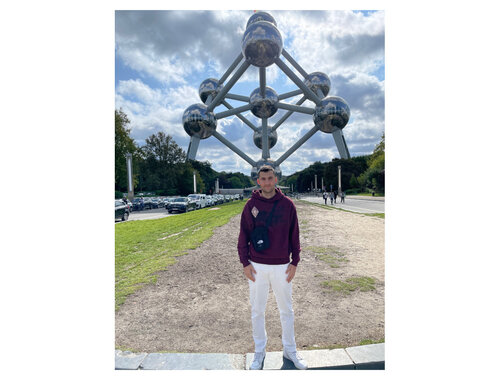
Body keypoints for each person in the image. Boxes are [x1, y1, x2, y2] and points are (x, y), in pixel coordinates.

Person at [238, 165, 308, 370]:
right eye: (263, 179)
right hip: (257, 266)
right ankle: (259, 352)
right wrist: (245, 263)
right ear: (258, 182)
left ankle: (290, 350)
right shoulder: (250, 205)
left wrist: (295, 262)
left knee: (286, 310)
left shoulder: (287, 205)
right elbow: (243, 235)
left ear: (275, 179)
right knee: (257, 311)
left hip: (282, 266)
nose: (267, 182)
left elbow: (294, 235)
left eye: (270, 178)